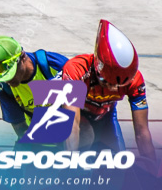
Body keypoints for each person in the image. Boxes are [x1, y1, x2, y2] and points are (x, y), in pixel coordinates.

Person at [61, 19, 156, 167]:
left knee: (118, 165)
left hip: (104, 116)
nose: (112, 88)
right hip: (73, 116)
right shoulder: (76, 70)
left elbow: (142, 131)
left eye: (119, 85)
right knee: (85, 138)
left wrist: (154, 172)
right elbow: (72, 124)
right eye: (107, 82)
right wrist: (70, 164)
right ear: (96, 67)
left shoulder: (135, 80)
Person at [0, 36, 68, 140]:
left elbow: (86, 112)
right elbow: (19, 126)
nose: (7, 80)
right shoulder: (2, 85)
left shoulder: (56, 67)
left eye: (10, 73)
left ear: (22, 57)